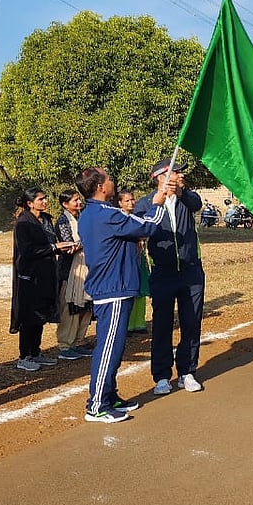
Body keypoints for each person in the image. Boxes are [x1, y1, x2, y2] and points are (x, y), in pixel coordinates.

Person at [76, 166, 174, 423]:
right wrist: (157, 203)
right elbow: (149, 226)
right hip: (113, 288)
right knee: (109, 346)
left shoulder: (93, 213)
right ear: (100, 187)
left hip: (115, 286)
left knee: (115, 346)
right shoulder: (107, 214)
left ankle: (108, 396)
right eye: (108, 178)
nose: (113, 181)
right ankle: (96, 405)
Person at [135, 159, 206, 395]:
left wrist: (181, 191)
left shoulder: (187, 198)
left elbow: (197, 204)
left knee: (191, 322)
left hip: (191, 272)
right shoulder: (146, 203)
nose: (180, 176)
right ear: (161, 177)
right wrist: (158, 202)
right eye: (176, 172)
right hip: (162, 273)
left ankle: (187, 372)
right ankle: (162, 375)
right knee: (163, 324)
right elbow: (138, 226)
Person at [10, 188, 72, 371]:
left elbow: (50, 245)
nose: (45, 202)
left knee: (41, 314)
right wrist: (54, 247)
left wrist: (61, 248)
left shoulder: (46, 219)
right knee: (29, 316)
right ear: (30, 203)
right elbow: (27, 251)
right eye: (41, 199)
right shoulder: (23, 223)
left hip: (46, 273)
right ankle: (25, 356)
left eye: (45, 198)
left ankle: (36, 352)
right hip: (29, 275)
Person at [54, 190, 93, 361]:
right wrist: (87, 242)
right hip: (70, 271)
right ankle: (65, 344)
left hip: (86, 267)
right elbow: (68, 246)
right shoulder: (63, 221)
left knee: (85, 305)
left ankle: (79, 340)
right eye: (75, 200)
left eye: (79, 200)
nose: (78, 203)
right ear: (65, 204)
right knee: (70, 307)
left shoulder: (82, 218)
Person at [118, 189, 150, 335]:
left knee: (142, 288)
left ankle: (139, 322)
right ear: (120, 203)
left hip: (140, 256)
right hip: (126, 259)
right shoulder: (119, 218)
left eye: (132, 200)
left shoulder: (137, 218)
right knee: (129, 291)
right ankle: (128, 324)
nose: (131, 203)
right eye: (127, 201)